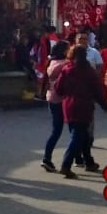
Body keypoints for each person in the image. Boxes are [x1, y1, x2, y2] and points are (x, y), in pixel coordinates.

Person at [56, 46, 107, 179]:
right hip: (84, 106)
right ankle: (66, 165)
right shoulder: (89, 71)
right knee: (78, 136)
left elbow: (58, 88)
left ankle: (89, 161)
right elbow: (97, 89)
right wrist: (104, 103)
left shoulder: (67, 69)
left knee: (82, 135)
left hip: (68, 105)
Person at [40, 39, 71, 172]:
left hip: (52, 97)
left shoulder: (52, 62)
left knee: (56, 130)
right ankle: (76, 158)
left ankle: (47, 157)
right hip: (63, 99)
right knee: (74, 130)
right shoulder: (65, 65)